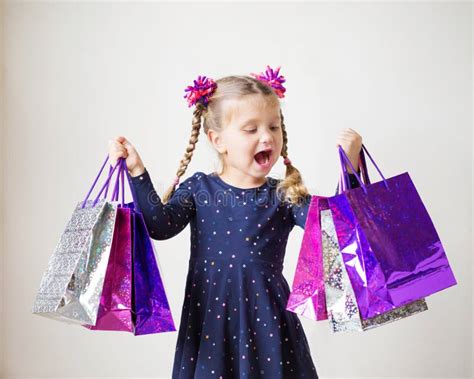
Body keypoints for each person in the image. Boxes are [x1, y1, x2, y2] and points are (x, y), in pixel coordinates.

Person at [108, 66, 362, 379]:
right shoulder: (199, 189)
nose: (267, 136)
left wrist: (349, 168)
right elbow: (159, 226)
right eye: (251, 129)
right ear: (218, 140)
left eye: (273, 126)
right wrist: (137, 171)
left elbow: (335, 229)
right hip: (211, 324)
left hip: (270, 325)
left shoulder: (283, 194)